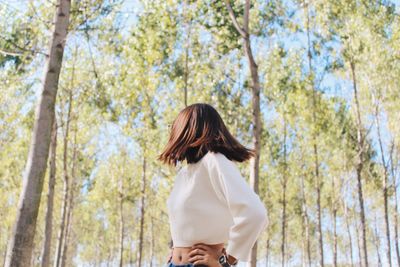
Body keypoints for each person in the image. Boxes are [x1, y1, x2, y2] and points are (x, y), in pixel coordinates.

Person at [158, 103, 268, 267]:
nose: (173, 130)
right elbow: (186, 219)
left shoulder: (214, 161)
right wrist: (175, 246)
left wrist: (226, 261)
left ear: (190, 127)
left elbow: (256, 214)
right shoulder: (185, 172)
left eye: (176, 124)